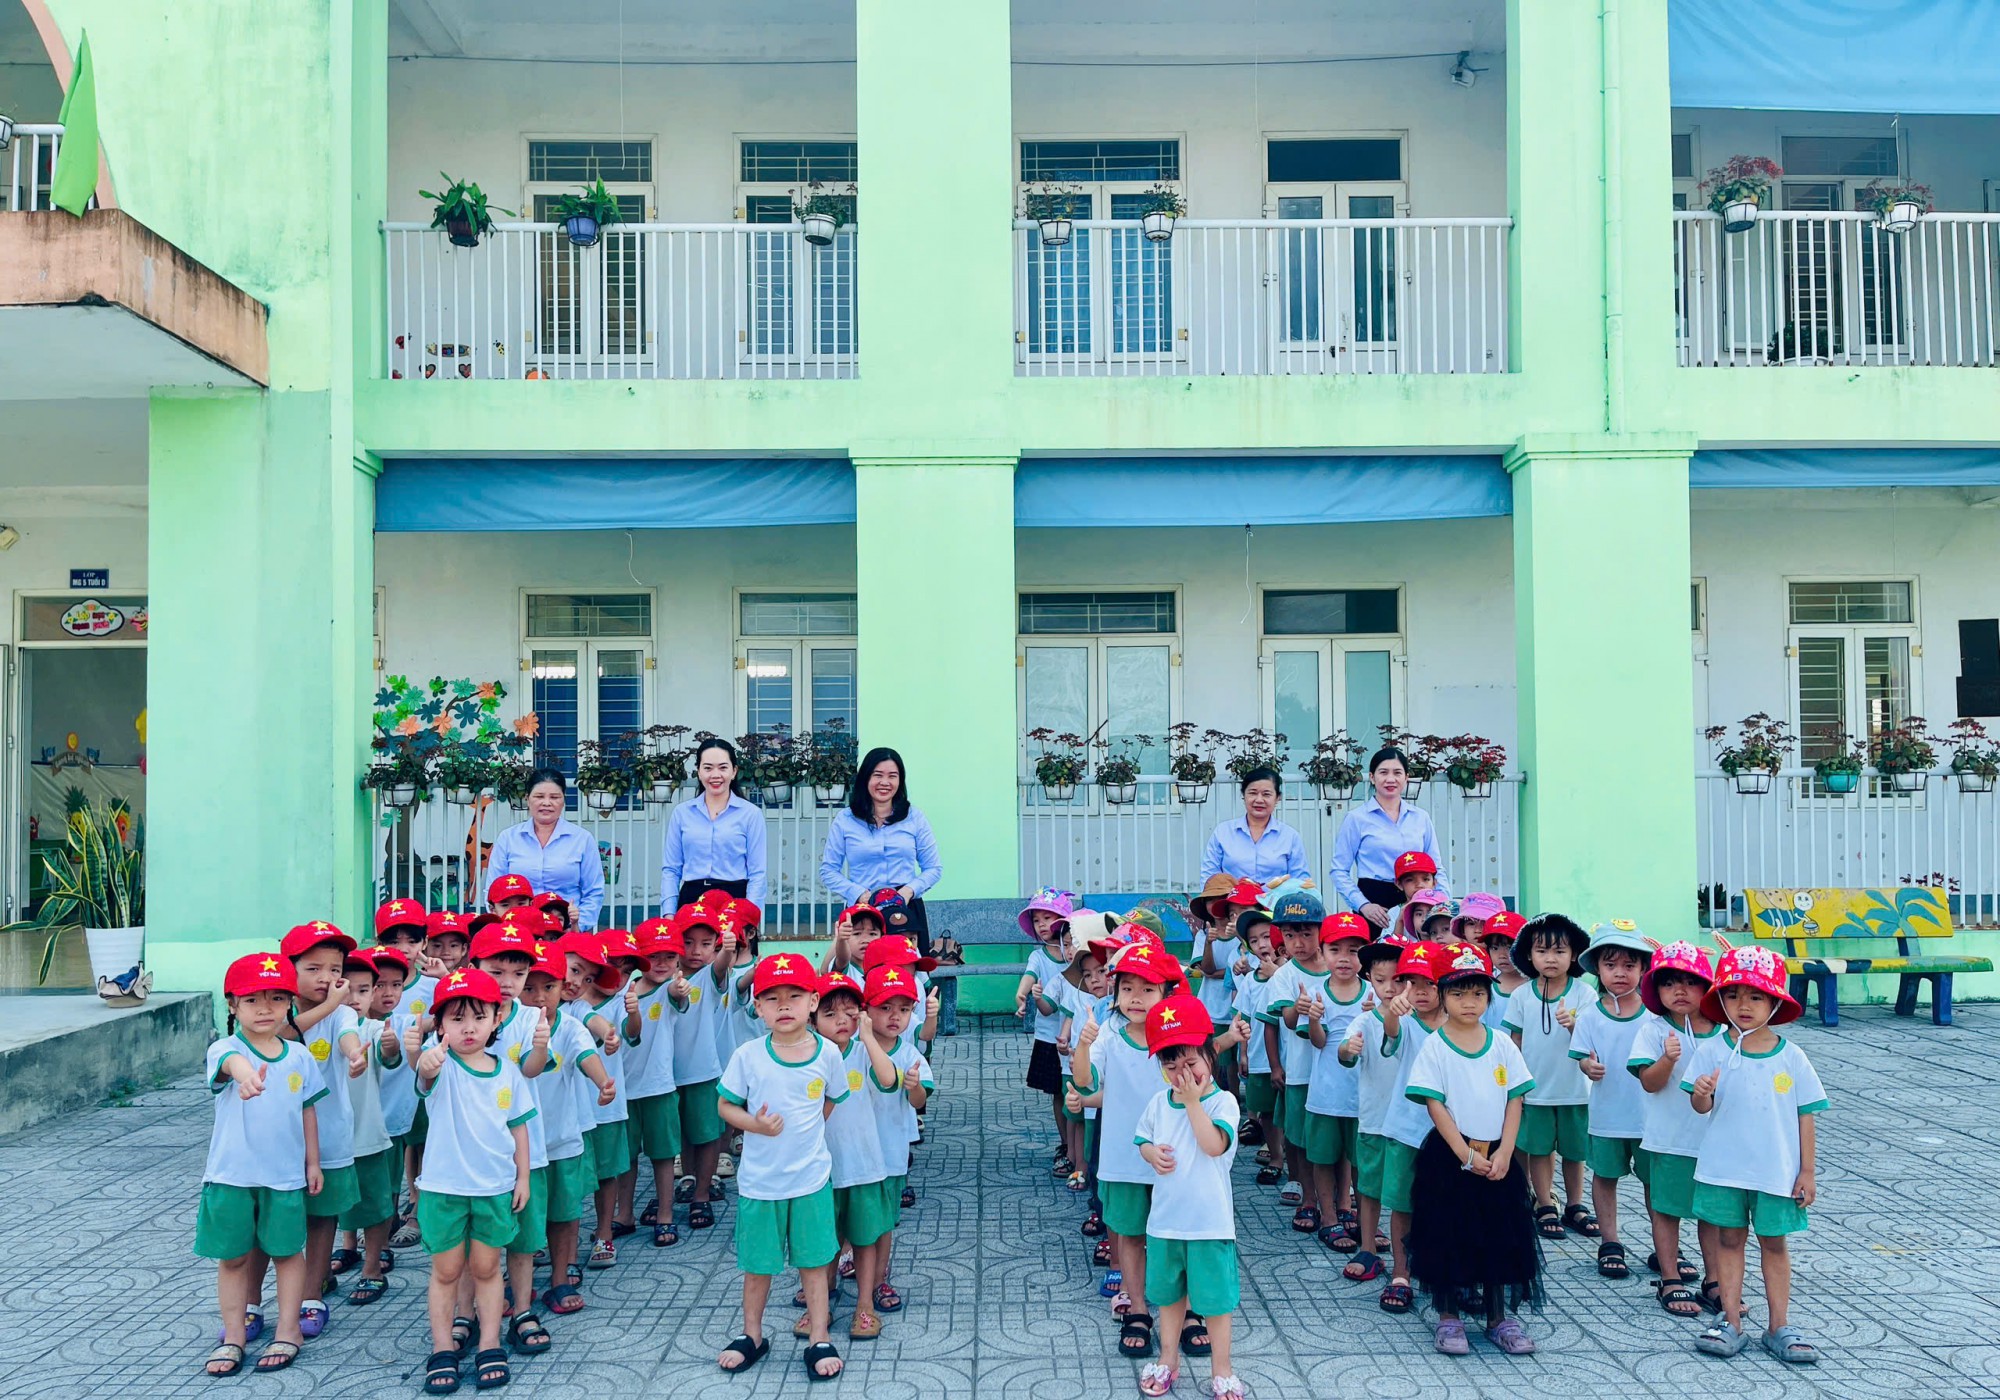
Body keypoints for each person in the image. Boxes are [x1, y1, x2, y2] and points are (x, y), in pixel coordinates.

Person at [1685, 945, 1826, 1366]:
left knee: (1775, 1244)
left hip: (1775, 1173)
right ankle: (1731, 1321)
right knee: (1728, 1240)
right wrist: (1700, 1095)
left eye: (1755, 996)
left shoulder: (1791, 1056)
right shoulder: (1711, 1050)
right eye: (1732, 995)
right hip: (1724, 1168)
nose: (1742, 1006)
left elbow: (1806, 1116)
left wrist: (1807, 1172)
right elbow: (1699, 1108)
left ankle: (1778, 1325)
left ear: (1775, 1001)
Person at [715, 953, 850, 1382]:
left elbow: (829, 1101)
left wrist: (805, 1138)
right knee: (758, 1266)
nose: (784, 1005)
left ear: (813, 1001)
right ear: (758, 1007)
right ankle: (752, 1335)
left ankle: (820, 1337)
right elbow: (725, 1105)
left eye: (795, 995)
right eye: (772, 998)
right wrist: (753, 1124)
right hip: (759, 1183)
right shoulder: (748, 1055)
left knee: (813, 1264)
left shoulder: (827, 1053)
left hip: (810, 1180)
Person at [1404, 944, 1542, 1357]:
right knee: (1448, 1233)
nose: (1470, 1002)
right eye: (1460, 993)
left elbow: (1516, 1098)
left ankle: (1498, 1318)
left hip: (1498, 1157)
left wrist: (1505, 1153)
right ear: (1443, 995)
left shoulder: (1501, 1043)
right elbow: (1435, 1105)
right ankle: (1448, 1317)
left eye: (1478, 993)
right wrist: (1465, 1154)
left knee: (1501, 1234)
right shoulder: (1436, 1046)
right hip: (1450, 1159)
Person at [198, 953, 326, 1377]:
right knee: (233, 1258)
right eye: (252, 999)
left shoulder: (299, 1057)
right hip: (231, 1177)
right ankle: (234, 1334)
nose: (265, 1008)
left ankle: (289, 1330)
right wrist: (244, 1074)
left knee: (289, 1253)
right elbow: (229, 1065)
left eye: (276, 998)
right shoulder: (226, 1048)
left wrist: (313, 1163)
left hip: (285, 1177)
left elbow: (308, 1111)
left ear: (290, 1002)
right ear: (232, 1005)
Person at [407, 967, 534, 1395]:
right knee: (445, 1271)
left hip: (495, 1188)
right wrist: (424, 1063)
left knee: (486, 1267)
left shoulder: (508, 1072)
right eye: (456, 1018)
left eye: (478, 1017)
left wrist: (523, 1177)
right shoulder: (440, 1066)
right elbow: (423, 1074)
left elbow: (519, 1128)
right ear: (440, 1024)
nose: (468, 1028)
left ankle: (490, 1344)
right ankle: (442, 1349)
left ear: (497, 1019)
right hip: (444, 1189)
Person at [1068, 942, 1181, 1362]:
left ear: (1166, 994)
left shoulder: (1176, 1036)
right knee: (1130, 1236)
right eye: (1127, 987)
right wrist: (1083, 1045)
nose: (1136, 997)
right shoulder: (1109, 1036)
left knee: (1172, 1238)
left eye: (1148, 989)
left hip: (1172, 1159)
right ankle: (1137, 1309)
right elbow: (1083, 1083)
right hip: (1121, 1158)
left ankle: (1183, 1311)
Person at [1133, 994, 1243, 1399]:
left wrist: (1194, 1102)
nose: (1182, 1075)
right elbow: (1142, 1139)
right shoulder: (1158, 1104)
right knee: (1167, 1297)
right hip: (1165, 1223)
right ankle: (1168, 1360)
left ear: (1211, 1055)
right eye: (1170, 1066)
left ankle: (1222, 1369)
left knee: (1214, 1303)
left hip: (1209, 1225)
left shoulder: (1223, 1102)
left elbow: (1214, 1145)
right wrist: (1150, 1153)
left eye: (1191, 1064)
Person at [280, 920, 367, 1342]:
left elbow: (350, 1038)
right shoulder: (273, 1008)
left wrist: (355, 1057)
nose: (328, 978)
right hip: (276, 1142)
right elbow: (276, 1036)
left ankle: (312, 1293)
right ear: (289, 968)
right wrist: (329, 1006)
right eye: (313, 968)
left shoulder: (344, 1014)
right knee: (274, 1221)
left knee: (321, 1219)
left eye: (335, 968)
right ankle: (263, 1300)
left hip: (329, 1136)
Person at [1627, 940, 1722, 1319]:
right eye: (1668, 984)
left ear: (1708, 987)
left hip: (1714, 1142)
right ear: (1656, 991)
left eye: (1690, 982)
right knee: (1665, 1211)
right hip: (1667, 1139)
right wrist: (1668, 1058)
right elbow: (1649, 1082)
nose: (1679, 991)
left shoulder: (1725, 1031)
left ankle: (1715, 1280)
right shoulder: (1653, 1030)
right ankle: (1669, 1277)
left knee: (1712, 1215)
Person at [521, 938, 614, 1318]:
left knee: (563, 1214)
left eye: (549, 987)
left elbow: (586, 1054)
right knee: (521, 1221)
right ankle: (516, 1286)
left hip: (560, 1140)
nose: (540, 996)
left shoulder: (570, 1025)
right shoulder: (505, 1023)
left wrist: (603, 1082)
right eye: (530, 986)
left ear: (564, 987)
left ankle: (560, 1277)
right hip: (518, 1145)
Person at [811, 972, 900, 1342]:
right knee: (823, 1243)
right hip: (820, 1170)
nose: (842, 1021)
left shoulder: (865, 1051)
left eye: (850, 1012)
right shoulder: (810, 1054)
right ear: (812, 1017)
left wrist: (868, 1036)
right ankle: (822, 1302)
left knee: (864, 1241)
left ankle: (864, 1305)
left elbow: (889, 1080)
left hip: (864, 1166)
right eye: (830, 1014)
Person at [1569, 921, 1657, 1284]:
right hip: (1606, 1116)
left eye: (1629, 965)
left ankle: (1665, 1245)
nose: (1620, 973)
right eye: (1610, 965)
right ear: (1597, 969)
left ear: (1642, 969)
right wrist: (1588, 1065)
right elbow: (1580, 1055)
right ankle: (1610, 1242)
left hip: (1650, 1120)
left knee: (1656, 1184)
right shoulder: (1590, 1013)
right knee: (1605, 1177)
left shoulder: (1655, 1014)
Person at [1502, 913, 1595, 1241]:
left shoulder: (1584, 994)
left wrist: (1574, 1025)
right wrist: (1514, 1086)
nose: (1551, 958)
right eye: (1542, 951)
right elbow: (1513, 1041)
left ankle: (1575, 1204)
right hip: (1536, 1091)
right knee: (1540, 1151)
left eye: (1560, 951)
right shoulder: (1521, 996)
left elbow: (1593, 1038)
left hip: (1575, 1090)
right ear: (1529, 955)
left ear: (1574, 955)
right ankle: (1544, 1204)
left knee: (1575, 1151)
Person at [1372, 940, 1451, 1316]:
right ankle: (1401, 1274)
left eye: (1430, 983)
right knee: (1402, 1203)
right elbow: (1391, 1035)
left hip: (1450, 1133)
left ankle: (1441, 1271)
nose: (1420, 992)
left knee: (1444, 1205)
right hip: (1406, 1128)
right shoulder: (1403, 1020)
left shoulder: (1461, 1023)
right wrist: (1390, 1010)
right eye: (1411, 982)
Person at [1291, 910, 1372, 1255]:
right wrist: (1311, 1018)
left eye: (1353, 951)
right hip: (1324, 1095)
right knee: (1323, 1159)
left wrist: (1377, 1017)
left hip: (1364, 1099)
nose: (1344, 958)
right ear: (1322, 952)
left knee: (1359, 1161)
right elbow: (1319, 1042)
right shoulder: (1313, 992)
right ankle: (1328, 1217)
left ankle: (1356, 1215)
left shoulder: (1372, 993)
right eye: (1336, 949)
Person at [861, 965, 934, 1319]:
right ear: (867, 1009)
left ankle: (878, 1280)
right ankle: (828, 1276)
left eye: (904, 1009)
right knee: (846, 1217)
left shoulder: (909, 1055)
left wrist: (915, 1086)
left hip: (890, 1152)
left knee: (885, 1222)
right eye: (885, 1007)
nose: (895, 1017)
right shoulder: (851, 1048)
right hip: (852, 1153)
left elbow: (920, 1101)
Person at [1256, 886, 1331, 1227]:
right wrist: (1297, 1009)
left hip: (1334, 1070)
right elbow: (1284, 1019)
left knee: (1335, 1138)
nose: (1298, 942)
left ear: (1320, 931)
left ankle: (1342, 1202)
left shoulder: (1336, 967)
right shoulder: (1285, 975)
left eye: (1306, 933)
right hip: (1300, 1071)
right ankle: (1308, 1195)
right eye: (1289, 934)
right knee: (1299, 1138)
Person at [819, 747, 942, 954]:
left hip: (905, 910)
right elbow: (828, 870)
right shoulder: (845, 820)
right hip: (864, 913)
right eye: (878, 775)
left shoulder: (915, 818)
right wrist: (857, 893)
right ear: (866, 778)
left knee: (908, 976)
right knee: (865, 975)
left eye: (892, 776)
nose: (885, 783)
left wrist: (908, 891)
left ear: (900, 782)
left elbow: (933, 868)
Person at [671, 898, 745, 1235]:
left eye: (705, 943)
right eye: (687, 942)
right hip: (669, 1071)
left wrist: (727, 951)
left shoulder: (710, 975)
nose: (695, 950)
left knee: (708, 1135)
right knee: (685, 1132)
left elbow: (721, 967)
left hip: (703, 1069)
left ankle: (702, 1192)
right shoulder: (663, 974)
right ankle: (689, 1179)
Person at [1328, 747, 1450, 928]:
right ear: (1372, 777)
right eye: (1383, 772)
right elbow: (1339, 871)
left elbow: (1436, 867)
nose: (1390, 779)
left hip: (1417, 901)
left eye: (1397, 773)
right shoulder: (1357, 818)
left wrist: (1443, 902)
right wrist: (1363, 905)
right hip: (1375, 904)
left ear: (1406, 778)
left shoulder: (1420, 817)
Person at [621, 914, 686, 1248]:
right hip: (623, 1089)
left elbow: (679, 995)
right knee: (626, 1157)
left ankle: (665, 1215)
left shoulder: (669, 990)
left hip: (660, 1086)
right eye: (654, 955)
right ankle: (624, 1214)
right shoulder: (624, 989)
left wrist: (677, 987)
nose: (662, 963)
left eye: (670, 956)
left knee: (662, 1155)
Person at [485, 768, 605, 932]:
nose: (547, 803)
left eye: (554, 797)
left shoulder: (582, 839)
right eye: (539, 796)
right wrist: (505, 927)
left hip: (566, 930)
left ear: (563, 800)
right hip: (518, 930)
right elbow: (492, 891)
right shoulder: (508, 838)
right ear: (527, 799)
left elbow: (594, 892)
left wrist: (576, 926)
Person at [660, 736, 769, 910]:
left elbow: (757, 874)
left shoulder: (751, 815)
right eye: (708, 768)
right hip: (691, 901)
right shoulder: (682, 814)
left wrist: (749, 916)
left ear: (734, 771)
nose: (715, 775)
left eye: (723, 768)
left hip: (735, 900)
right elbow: (671, 870)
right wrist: (669, 913)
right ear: (699, 771)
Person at [1017, 886, 1076, 1173]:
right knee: (1058, 1092)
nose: (1042, 925)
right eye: (1037, 920)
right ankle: (1065, 1144)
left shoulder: (1077, 951)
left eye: (1048, 918)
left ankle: (1081, 1147)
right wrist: (1022, 995)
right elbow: (1029, 976)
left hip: (1077, 1037)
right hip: (1048, 1036)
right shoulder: (1039, 957)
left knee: (1076, 1090)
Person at [1199, 767, 1310, 884]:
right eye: (1253, 793)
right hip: (1231, 901)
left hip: (1276, 901)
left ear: (1277, 798)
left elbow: (1300, 880)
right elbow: (1209, 876)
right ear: (1244, 795)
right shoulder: (1223, 832)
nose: (1259, 800)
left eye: (1266, 794)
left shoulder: (1290, 836)